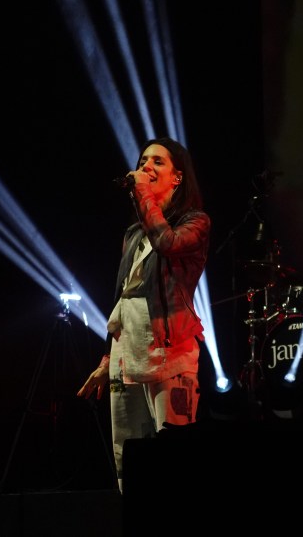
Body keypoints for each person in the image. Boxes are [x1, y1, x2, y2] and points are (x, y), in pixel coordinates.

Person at [76, 137, 209, 494]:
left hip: (170, 351)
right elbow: (122, 298)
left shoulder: (195, 223)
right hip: (127, 353)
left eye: (157, 162)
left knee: (171, 452)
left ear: (178, 177)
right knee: (126, 453)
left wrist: (143, 195)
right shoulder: (134, 233)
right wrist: (107, 360)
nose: (146, 166)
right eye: (143, 161)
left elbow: (168, 244)